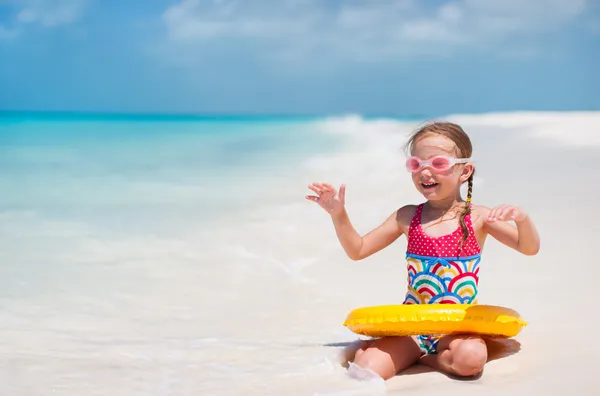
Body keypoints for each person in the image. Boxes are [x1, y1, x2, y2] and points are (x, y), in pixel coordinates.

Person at [305, 121, 540, 381]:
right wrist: (338, 214)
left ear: (465, 171)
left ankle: (432, 360)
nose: (425, 172)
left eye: (438, 164)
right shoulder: (407, 217)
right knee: (367, 370)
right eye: (416, 164)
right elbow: (358, 250)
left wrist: (522, 219)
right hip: (413, 326)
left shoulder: (479, 218)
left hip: (457, 328)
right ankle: (397, 353)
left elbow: (528, 247)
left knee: (471, 360)